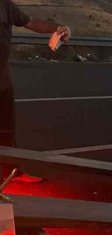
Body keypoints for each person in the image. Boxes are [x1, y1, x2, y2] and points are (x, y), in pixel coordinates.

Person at [1, 0, 71, 183]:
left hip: (2, 82)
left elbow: (31, 23)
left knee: (6, 132)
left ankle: (10, 172)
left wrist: (57, 28)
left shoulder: (5, 6)